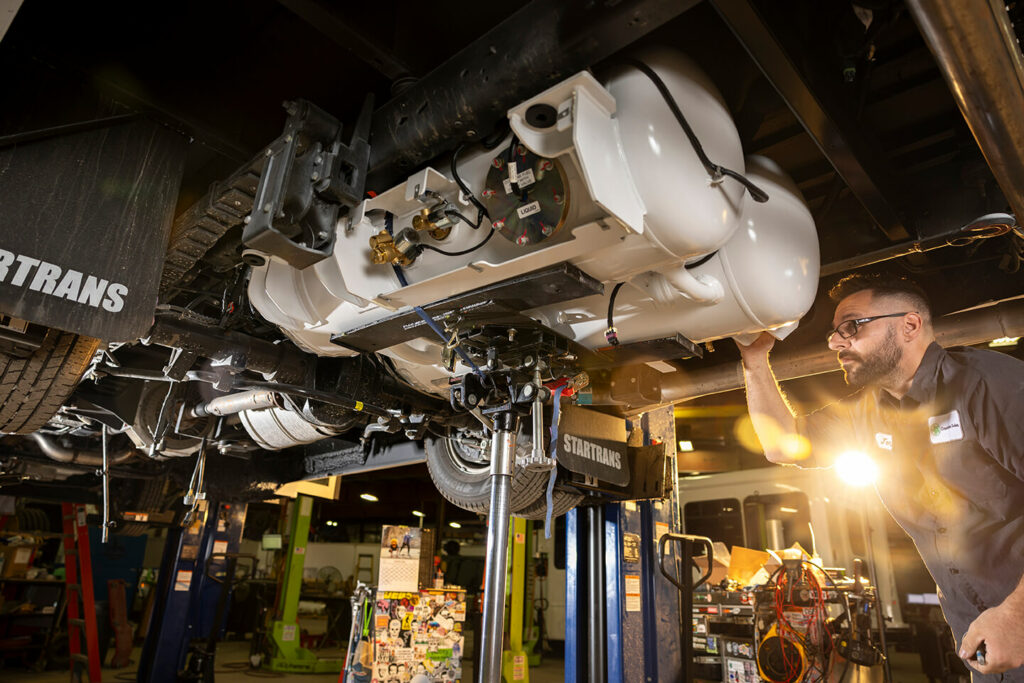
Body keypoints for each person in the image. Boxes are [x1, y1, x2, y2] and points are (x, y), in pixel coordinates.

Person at [736, 272, 1024, 680]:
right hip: (981, 639)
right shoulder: (866, 414)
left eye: (851, 327)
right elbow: (783, 444)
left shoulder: (987, 384)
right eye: (835, 334)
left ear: (909, 325)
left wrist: (1016, 617)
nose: (836, 343)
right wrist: (754, 359)